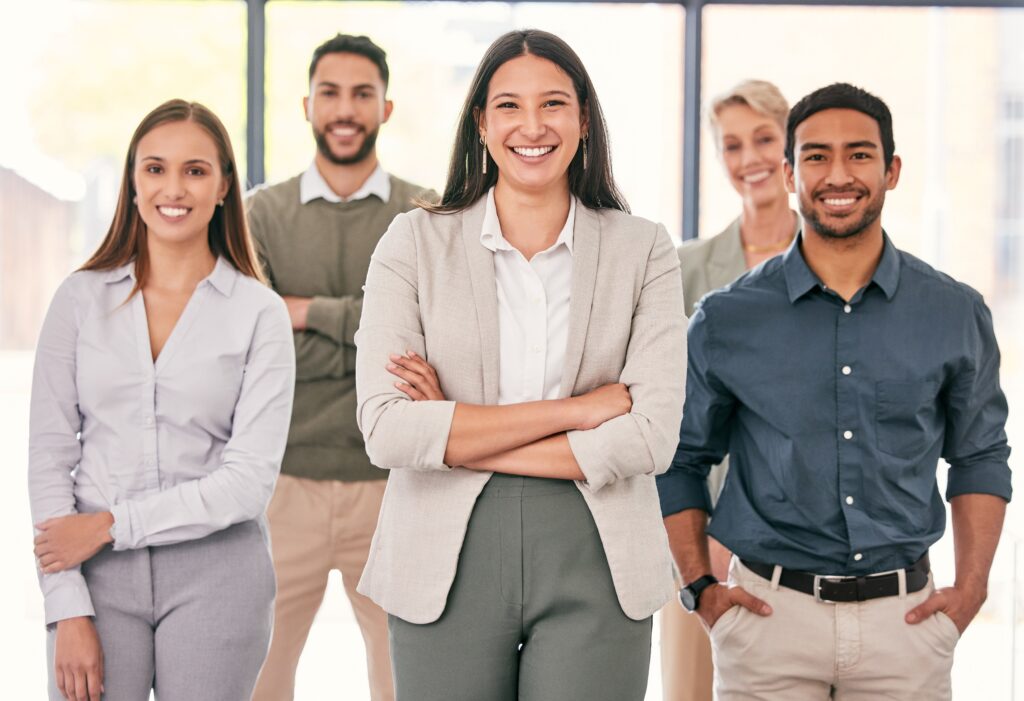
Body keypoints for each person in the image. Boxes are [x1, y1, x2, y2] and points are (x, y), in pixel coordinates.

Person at [354, 29, 686, 701]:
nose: (532, 126)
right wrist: (578, 411)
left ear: (583, 118)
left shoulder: (644, 249)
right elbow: (388, 432)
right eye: (508, 105)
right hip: (441, 555)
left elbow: (649, 437)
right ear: (481, 121)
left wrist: (456, 431)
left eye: (554, 104)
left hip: (599, 552)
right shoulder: (414, 242)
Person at [658, 82, 1011, 700]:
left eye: (860, 154)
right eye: (817, 156)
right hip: (767, 626)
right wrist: (700, 587)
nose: (838, 174)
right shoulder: (726, 319)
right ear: (792, 174)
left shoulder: (954, 313)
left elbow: (980, 456)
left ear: (891, 170)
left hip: (905, 628)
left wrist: (973, 585)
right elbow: (679, 458)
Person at [29, 99, 295, 701]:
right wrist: (65, 605)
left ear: (226, 184)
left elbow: (248, 481)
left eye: (196, 171)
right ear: (132, 180)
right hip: (94, 577)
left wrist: (108, 526)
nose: (173, 188)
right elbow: (48, 457)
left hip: (218, 573)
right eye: (155, 169)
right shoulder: (79, 301)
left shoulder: (259, 314)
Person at [247, 34, 434, 701]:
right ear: (306, 105)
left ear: (386, 107)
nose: (345, 108)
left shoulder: (426, 213)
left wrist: (303, 312)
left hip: (394, 488)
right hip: (282, 486)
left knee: (406, 682)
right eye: (331, 93)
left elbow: (428, 344)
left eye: (362, 94)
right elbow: (257, 346)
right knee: (256, 681)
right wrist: (370, 328)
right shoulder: (259, 215)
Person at [660, 79, 797, 701]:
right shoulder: (685, 269)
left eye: (764, 138)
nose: (750, 159)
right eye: (732, 145)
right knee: (690, 689)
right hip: (697, 535)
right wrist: (697, 541)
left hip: (800, 540)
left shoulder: (837, 262)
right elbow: (664, 406)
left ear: (792, 144)